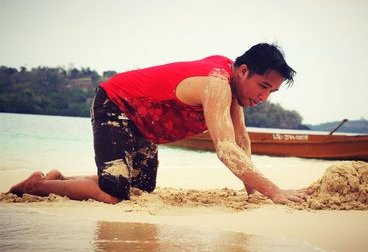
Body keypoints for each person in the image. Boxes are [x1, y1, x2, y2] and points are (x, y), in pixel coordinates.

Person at [9, 43, 312, 204]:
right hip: (117, 104)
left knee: (141, 188)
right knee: (115, 192)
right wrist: (275, 191)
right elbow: (226, 149)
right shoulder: (218, 83)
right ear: (243, 71)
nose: (265, 97)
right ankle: (38, 186)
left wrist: (255, 195)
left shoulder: (232, 88)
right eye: (263, 86)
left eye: (272, 91)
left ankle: (61, 179)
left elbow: (241, 140)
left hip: (141, 125)